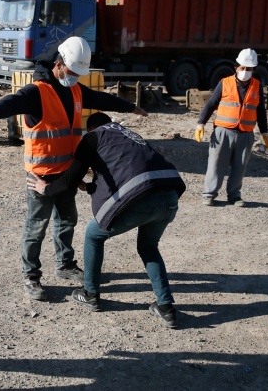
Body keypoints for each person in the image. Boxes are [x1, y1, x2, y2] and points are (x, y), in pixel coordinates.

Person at [0, 37, 148, 301]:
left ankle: (65, 265)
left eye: (78, 74)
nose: (74, 78)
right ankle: (31, 275)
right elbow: (11, 102)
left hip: (67, 173)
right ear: (59, 65)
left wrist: (131, 107)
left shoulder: (75, 91)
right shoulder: (37, 91)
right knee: (36, 226)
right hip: (40, 175)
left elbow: (101, 99)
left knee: (67, 221)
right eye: (71, 72)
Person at [26, 113, 186, 328]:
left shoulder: (93, 137)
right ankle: (166, 308)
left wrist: (46, 189)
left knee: (93, 235)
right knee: (149, 248)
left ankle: (90, 293)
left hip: (143, 197)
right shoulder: (128, 135)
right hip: (170, 195)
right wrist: (89, 187)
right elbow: (119, 172)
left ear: (90, 129)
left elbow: (70, 178)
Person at [194, 48, 268, 207]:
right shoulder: (224, 83)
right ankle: (209, 194)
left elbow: (260, 111)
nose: (245, 71)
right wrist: (200, 124)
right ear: (236, 67)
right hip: (223, 132)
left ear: (253, 70)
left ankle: (234, 196)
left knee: (240, 166)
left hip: (245, 134)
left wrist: (265, 133)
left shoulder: (257, 86)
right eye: (242, 68)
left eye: (249, 69)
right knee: (216, 164)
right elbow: (210, 105)